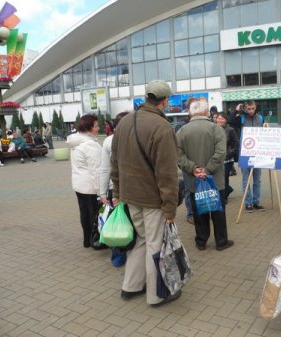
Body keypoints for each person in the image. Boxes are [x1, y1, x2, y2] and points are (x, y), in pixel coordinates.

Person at [110, 79, 181, 307]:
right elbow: (168, 173)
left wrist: (118, 192)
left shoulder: (124, 122)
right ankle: (157, 295)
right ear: (165, 101)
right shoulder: (163, 128)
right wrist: (170, 207)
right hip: (152, 199)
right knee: (154, 244)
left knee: (141, 240)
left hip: (130, 197)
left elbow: (115, 163)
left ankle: (130, 286)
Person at [177, 100, 234, 251]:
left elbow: (178, 155)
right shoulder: (216, 129)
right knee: (218, 211)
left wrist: (194, 169)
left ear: (191, 113)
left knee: (199, 212)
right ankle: (221, 242)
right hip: (215, 180)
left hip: (194, 180)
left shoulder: (182, 131)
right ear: (207, 112)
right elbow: (221, 153)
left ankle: (201, 241)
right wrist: (207, 170)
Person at [66, 114, 101, 248]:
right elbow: (96, 170)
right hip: (90, 186)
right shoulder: (90, 145)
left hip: (79, 185)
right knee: (94, 214)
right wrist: (100, 191)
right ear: (89, 128)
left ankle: (87, 240)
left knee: (85, 213)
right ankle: (95, 241)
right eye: (96, 126)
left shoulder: (76, 142)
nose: (98, 128)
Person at [100, 111, 129, 267]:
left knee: (117, 222)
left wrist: (102, 193)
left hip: (114, 189)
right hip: (133, 189)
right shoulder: (135, 138)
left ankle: (118, 257)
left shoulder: (108, 141)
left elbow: (104, 169)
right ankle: (134, 254)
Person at [236, 100, 265, 212]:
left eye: (252, 108)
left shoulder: (260, 118)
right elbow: (230, 120)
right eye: (248, 109)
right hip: (245, 152)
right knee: (246, 180)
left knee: (257, 180)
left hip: (258, 152)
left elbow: (264, 131)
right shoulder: (241, 118)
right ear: (245, 108)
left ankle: (256, 202)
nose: (251, 111)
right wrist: (237, 111)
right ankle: (248, 203)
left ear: (255, 107)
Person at [176, 96, 197, 224]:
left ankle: (202, 211)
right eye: (193, 107)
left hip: (202, 162)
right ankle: (191, 214)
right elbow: (177, 148)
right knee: (189, 190)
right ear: (188, 109)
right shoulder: (182, 125)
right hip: (187, 163)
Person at [216, 112, 240, 204]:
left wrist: (229, 154)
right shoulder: (213, 129)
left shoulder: (230, 130)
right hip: (217, 159)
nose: (220, 120)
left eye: (222, 118)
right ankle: (227, 190)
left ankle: (224, 196)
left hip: (227, 159)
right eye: (219, 118)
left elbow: (236, 143)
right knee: (218, 178)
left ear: (226, 120)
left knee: (224, 177)